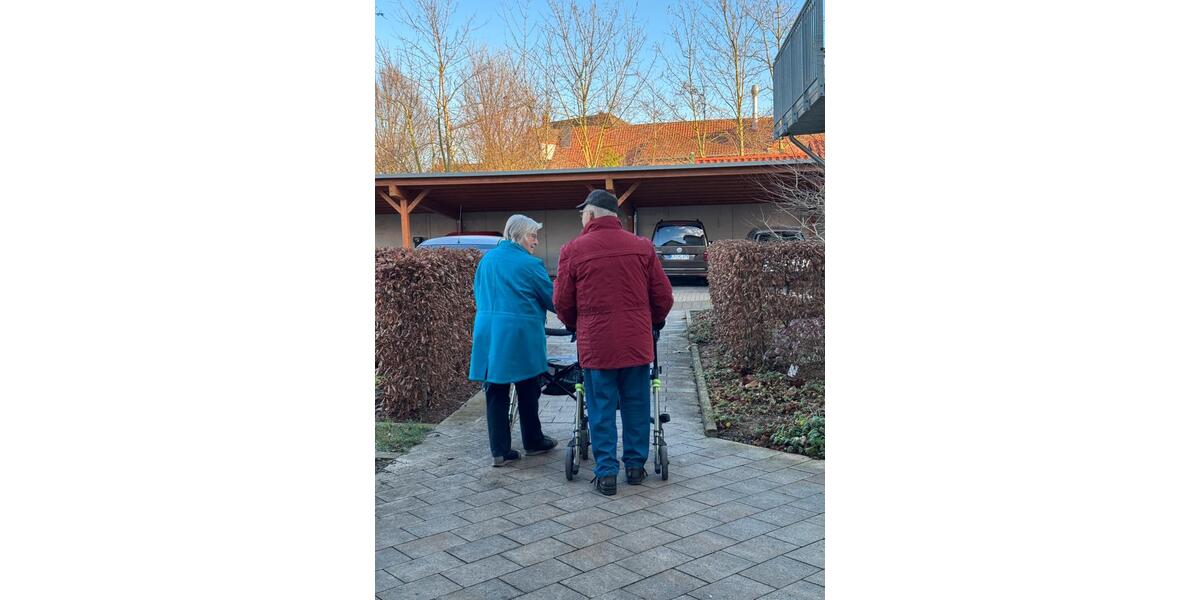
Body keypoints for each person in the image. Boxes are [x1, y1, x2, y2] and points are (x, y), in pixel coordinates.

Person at [554, 190, 673, 495]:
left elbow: (563, 302)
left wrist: (574, 325)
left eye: (583, 213)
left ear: (591, 215)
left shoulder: (573, 250)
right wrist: (653, 322)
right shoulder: (641, 247)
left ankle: (606, 473)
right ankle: (635, 467)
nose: (582, 218)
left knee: (601, 406)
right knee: (636, 404)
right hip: (636, 343)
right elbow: (663, 297)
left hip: (597, 345)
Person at [469, 215, 558, 466]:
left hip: (488, 332)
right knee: (528, 386)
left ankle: (500, 450)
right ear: (518, 235)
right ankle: (533, 441)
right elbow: (553, 301)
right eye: (533, 235)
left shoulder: (485, 261)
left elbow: (478, 294)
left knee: (495, 389)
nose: (536, 241)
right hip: (520, 334)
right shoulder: (530, 265)